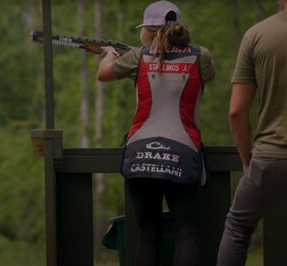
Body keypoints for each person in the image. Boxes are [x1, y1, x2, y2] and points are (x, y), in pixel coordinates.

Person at [95, 1, 215, 265]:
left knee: (148, 236)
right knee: (188, 236)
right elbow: (204, 77)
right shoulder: (201, 55)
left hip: (139, 154)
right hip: (184, 152)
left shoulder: (138, 57)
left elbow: (103, 74)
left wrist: (109, 54)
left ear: (147, 31)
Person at [216, 1, 287, 265]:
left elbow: (236, 110)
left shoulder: (257, 35)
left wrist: (247, 161)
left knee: (237, 228)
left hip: (270, 157)